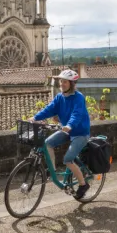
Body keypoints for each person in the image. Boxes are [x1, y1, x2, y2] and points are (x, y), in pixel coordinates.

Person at [31, 69, 92, 200]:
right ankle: (51, 170)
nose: (62, 84)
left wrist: (69, 126)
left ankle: (83, 184)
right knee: (48, 143)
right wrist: (35, 118)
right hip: (67, 131)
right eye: (61, 81)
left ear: (71, 83)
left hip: (80, 133)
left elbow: (77, 114)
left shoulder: (78, 97)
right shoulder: (59, 97)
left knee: (67, 159)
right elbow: (49, 109)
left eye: (65, 81)